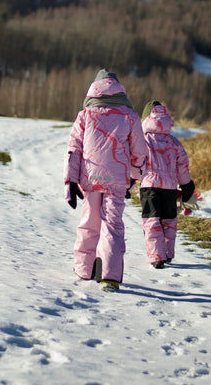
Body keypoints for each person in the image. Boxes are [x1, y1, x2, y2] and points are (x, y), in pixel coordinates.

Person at [64, 68, 147, 292]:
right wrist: (134, 176)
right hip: (117, 178)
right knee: (112, 225)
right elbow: (140, 151)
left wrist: (70, 181)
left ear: (95, 89)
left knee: (88, 222)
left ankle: (84, 269)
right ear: (119, 89)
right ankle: (109, 277)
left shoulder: (85, 115)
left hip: (90, 178)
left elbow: (74, 149)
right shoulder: (129, 115)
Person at [139, 100, 198, 268]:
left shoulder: (143, 141)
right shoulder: (174, 142)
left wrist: (128, 183)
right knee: (169, 219)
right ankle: (168, 253)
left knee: (152, 220)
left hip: (150, 186)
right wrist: (187, 185)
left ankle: (157, 256)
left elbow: (136, 163)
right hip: (170, 187)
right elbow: (182, 167)